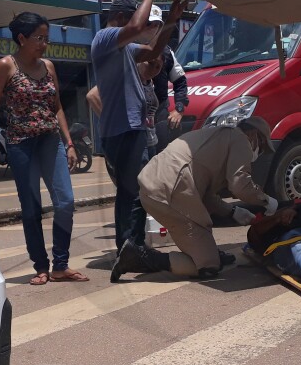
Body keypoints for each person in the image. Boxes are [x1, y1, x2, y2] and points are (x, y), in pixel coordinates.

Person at [0, 12, 88, 285]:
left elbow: (57, 108)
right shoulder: (6, 66)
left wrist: (69, 143)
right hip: (21, 145)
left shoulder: (48, 66)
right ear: (21, 38)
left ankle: (60, 264)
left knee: (65, 202)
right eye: (39, 38)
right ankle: (41, 266)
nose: (44, 44)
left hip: (50, 140)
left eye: (46, 38)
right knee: (31, 208)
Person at [111, 118, 278, 282]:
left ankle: (206, 251)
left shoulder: (219, 136)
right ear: (254, 134)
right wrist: (266, 200)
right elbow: (240, 184)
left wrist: (233, 211)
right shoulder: (241, 139)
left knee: (201, 228)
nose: (259, 151)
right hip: (171, 189)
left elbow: (205, 196)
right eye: (262, 146)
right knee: (208, 266)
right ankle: (138, 258)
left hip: (154, 187)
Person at [91, 0, 184, 252]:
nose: (139, 25)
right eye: (133, 18)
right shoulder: (105, 37)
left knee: (134, 190)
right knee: (131, 190)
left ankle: (132, 244)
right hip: (123, 128)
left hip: (132, 127)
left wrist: (172, 20)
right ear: (119, 17)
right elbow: (134, 28)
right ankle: (130, 245)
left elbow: (153, 50)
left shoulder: (123, 48)